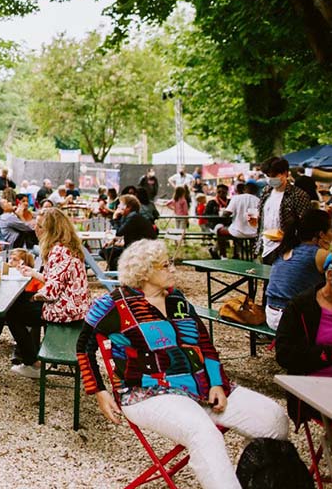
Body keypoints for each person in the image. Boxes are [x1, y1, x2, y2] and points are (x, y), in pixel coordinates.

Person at [77, 239, 290, 489]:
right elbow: (84, 347)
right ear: (145, 271)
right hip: (148, 392)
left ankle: (252, 476)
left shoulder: (178, 300)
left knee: (274, 420)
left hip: (201, 387)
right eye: (166, 265)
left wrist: (217, 384)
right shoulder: (114, 304)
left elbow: (205, 344)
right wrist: (99, 391)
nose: (173, 269)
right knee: (204, 434)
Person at [5, 209, 90, 379]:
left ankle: (32, 363)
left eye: (40, 226)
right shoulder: (69, 247)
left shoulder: (57, 251)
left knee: (12, 312)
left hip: (66, 311)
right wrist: (34, 273)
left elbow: (51, 292)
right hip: (77, 306)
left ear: (52, 230)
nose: (35, 229)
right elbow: (57, 279)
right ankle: (30, 357)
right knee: (20, 303)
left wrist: (34, 296)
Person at [273, 256, 332, 428]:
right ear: (329, 275)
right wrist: (325, 354)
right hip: (313, 386)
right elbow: (284, 354)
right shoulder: (301, 306)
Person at [264, 209, 330, 330]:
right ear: (321, 234)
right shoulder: (319, 254)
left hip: (271, 313)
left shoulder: (286, 247)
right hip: (292, 318)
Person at [256, 156, 313, 264]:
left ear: (285, 173)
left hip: (287, 248)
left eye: (274, 176)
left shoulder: (298, 195)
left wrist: (288, 237)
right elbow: (261, 214)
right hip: (265, 245)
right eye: (267, 176)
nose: (270, 179)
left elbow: (307, 225)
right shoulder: (266, 191)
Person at [100, 194, 156, 269]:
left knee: (114, 258)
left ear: (128, 207)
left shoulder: (134, 218)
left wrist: (115, 218)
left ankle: (120, 274)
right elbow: (122, 231)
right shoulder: (129, 217)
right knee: (105, 252)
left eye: (121, 204)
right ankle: (116, 273)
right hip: (133, 247)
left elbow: (119, 232)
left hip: (141, 251)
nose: (118, 207)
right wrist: (112, 242)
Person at [211, 181, 261, 259]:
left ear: (244, 189)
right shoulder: (258, 200)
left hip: (237, 232)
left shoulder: (237, 198)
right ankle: (253, 257)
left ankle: (223, 256)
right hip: (254, 233)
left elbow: (226, 214)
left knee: (219, 231)